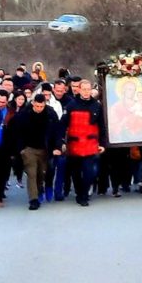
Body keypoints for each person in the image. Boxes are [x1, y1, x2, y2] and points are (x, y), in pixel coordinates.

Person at [61, 79, 106, 207]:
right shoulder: (71, 105)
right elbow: (63, 124)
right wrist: (61, 141)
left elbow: (102, 126)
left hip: (90, 144)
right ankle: (79, 193)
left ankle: (84, 195)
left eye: (88, 89)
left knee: (89, 172)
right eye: (84, 89)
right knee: (76, 172)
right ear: (79, 90)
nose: (86, 92)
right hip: (74, 144)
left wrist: (102, 143)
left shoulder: (97, 105)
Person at [16, 93, 63, 210]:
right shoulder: (25, 114)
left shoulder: (51, 113)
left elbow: (57, 132)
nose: (39, 109)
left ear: (44, 104)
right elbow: (18, 132)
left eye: (41, 106)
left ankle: (40, 189)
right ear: (33, 103)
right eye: (37, 106)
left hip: (45, 148)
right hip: (29, 148)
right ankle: (33, 199)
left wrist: (57, 147)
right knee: (31, 173)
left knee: (41, 173)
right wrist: (21, 149)